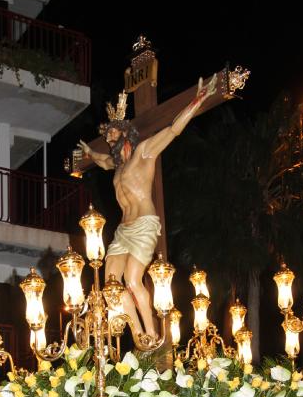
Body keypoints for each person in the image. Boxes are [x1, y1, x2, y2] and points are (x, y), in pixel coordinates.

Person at [79, 76, 217, 338]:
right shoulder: (115, 166)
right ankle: (138, 334)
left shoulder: (144, 152)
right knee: (110, 287)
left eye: (112, 132)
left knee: (132, 280)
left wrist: (199, 100)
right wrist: (88, 152)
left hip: (143, 224)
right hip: (123, 230)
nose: (108, 137)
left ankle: (151, 336)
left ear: (125, 132)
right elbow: (100, 160)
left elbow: (173, 130)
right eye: (106, 134)